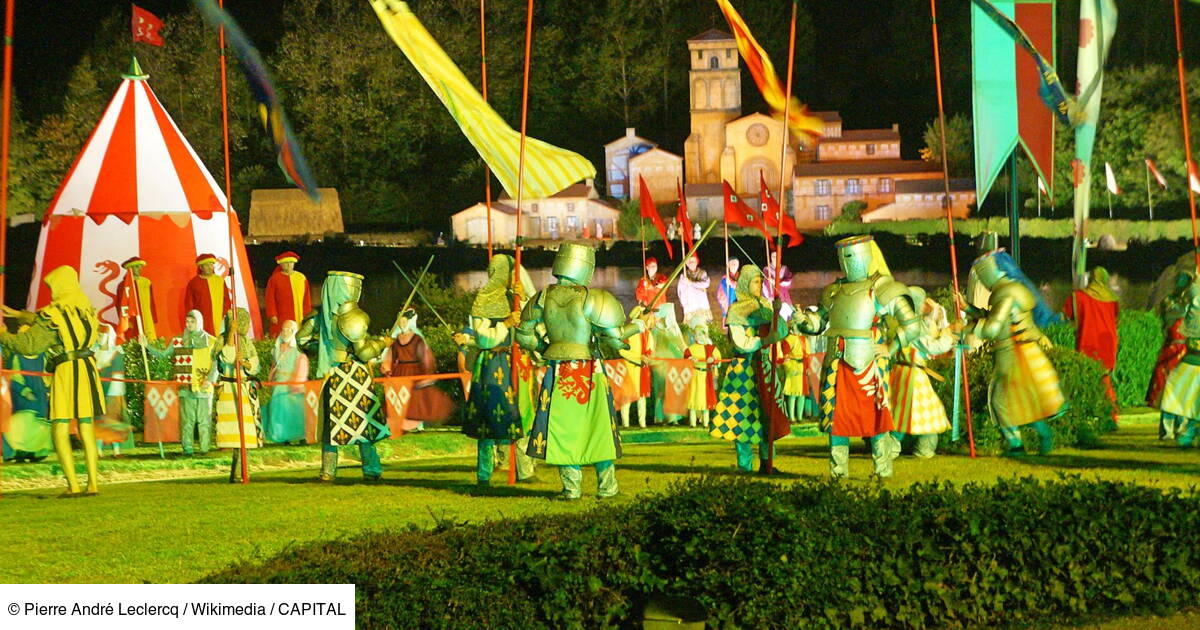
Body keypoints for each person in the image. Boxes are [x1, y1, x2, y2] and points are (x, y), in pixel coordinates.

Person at [516, 242, 648, 500]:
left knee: (563, 428)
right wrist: (640, 326)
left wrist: (546, 346)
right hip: (589, 370)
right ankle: (607, 487)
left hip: (557, 372)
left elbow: (524, 335)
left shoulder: (541, 297)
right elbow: (615, 339)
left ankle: (572, 488)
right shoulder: (593, 298)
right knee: (598, 428)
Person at [796, 235, 923, 479]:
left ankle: (883, 469)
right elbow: (819, 322)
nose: (848, 260)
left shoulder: (882, 288)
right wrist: (804, 321)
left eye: (852, 253)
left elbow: (912, 325)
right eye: (843, 254)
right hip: (837, 364)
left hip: (870, 365)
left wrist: (891, 348)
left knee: (876, 418)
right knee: (836, 419)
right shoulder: (834, 291)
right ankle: (838, 472)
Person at [0, 266, 106, 496]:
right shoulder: (86, 310)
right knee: (86, 426)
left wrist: (3, 334)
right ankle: (93, 485)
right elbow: (52, 321)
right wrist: (21, 315)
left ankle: (73, 486)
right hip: (87, 368)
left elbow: (31, 344)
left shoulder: (55, 313)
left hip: (66, 369)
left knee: (60, 425)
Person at [963, 250, 1064, 456]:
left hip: (1011, 353)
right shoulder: (1012, 290)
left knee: (1000, 401)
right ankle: (1042, 436)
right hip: (1026, 352)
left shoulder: (1004, 294)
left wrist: (965, 329)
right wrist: (969, 309)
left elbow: (992, 329)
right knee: (1023, 400)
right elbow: (997, 318)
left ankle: (1015, 445)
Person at [298, 271, 392, 482]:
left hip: (332, 375)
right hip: (354, 375)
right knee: (363, 424)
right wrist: (382, 343)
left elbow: (301, 340)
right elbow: (364, 353)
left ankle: (328, 472)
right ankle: (371, 469)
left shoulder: (319, 317)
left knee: (332, 426)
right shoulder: (353, 317)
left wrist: (324, 351)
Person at [454, 253, 538, 485]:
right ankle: (484, 474)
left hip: (517, 363)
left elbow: (533, 320)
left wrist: (524, 298)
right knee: (488, 422)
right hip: (492, 365)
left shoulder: (514, 296)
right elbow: (484, 340)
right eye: (511, 272)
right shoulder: (484, 300)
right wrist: (506, 323)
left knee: (521, 416)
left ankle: (524, 470)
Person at [710, 264, 790, 473]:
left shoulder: (764, 305)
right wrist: (764, 340)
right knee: (741, 418)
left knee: (766, 416)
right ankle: (744, 466)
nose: (760, 284)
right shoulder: (736, 310)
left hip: (764, 368)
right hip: (743, 371)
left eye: (761, 281)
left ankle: (767, 463)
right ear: (745, 282)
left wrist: (776, 312)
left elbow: (780, 332)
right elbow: (740, 343)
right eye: (756, 281)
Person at [889, 291, 954, 459]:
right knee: (923, 412)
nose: (928, 303)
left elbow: (928, 331)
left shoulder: (910, 323)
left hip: (904, 373)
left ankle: (916, 448)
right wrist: (949, 333)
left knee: (905, 412)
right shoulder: (915, 326)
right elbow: (934, 347)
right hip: (913, 376)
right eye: (924, 301)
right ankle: (897, 448)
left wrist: (938, 318)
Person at [158, 310, 218, 457]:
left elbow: (217, 363)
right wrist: (146, 345)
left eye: (193, 321)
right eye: (188, 321)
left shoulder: (211, 341)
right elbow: (163, 354)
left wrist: (210, 379)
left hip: (204, 386)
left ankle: (204, 448)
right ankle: (188, 449)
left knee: (204, 420)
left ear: (199, 322)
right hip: (186, 385)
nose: (189, 325)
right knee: (187, 421)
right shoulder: (180, 340)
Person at [384, 309, 456, 432]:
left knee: (417, 398)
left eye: (404, 321)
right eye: (400, 321)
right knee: (401, 397)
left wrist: (426, 370)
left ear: (409, 322)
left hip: (415, 370)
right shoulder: (396, 342)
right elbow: (391, 357)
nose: (402, 324)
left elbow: (424, 356)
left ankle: (418, 425)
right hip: (400, 371)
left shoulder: (417, 339)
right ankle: (402, 424)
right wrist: (387, 369)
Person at [215, 308, 261, 482]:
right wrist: (231, 333)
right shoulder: (222, 341)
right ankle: (237, 473)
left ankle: (241, 472)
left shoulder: (247, 343)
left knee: (245, 434)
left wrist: (247, 364)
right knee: (234, 434)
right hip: (229, 390)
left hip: (243, 389)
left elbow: (256, 366)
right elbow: (226, 358)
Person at [1148, 272, 1191, 439]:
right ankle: (1167, 429)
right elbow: (1170, 316)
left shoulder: (1192, 301)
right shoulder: (1170, 302)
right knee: (1168, 390)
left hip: (1186, 351)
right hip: (1172, 351)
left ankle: (1181, 428)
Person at [1160, 276, 1200, 447]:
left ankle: (1185, 432)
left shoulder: (1191, 305)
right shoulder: (1181, 305)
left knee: (1178, 390)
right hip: (1190, 355)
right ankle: (1183, 431)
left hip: (1192, 356)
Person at [2, 337, 51, 463]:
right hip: (23, 395)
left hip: (40, 394)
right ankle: (18, 450)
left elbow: (45, 373)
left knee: (39, 425)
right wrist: (25, 391)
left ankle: (35, 450)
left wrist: (47, 388)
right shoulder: (16, 356)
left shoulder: (42, 355)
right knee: (21, 423)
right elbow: (14, 376)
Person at [265, 320, 308, 445]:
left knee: (294, 412)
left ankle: (299, 436)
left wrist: (297, 383)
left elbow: (302, 365)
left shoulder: (298, 349)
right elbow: (274, 365)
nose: (285, 332)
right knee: (279, 411)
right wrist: (271, 379)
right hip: (278, 385)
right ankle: (282, 436)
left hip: (292, 385)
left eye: (288, 330)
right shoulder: (277, 347)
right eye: (283, 329)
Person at [91, 324, 133, 457]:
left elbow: (119, 374)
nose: (99, 337)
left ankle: (116, 450)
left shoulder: (117, 351)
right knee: (99, 420)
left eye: (102, 335)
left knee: (114, 421)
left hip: (114, 392)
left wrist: (119, 393)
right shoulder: (93, 351)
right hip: (98, 391)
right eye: (98, 334)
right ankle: (98, 450)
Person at [619, 306, 655, 427]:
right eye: (645, 314)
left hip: (643, 370)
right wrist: (638, 357)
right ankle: (625, 424)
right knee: (627, 397)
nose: (648, 317)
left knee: (642, 398)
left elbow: (650, 350)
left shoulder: (648, 334)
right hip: (630, 368)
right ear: (639, 315)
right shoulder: (628, 331)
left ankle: (642, 424)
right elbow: (621, 350)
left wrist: (648, 359)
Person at [264, 251, 312, 338]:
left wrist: (307, 314)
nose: (289, 265)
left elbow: (306, 298)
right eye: (286, 263)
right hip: (281, 314)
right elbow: (270, 298)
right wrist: (272, 314)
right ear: (281, 264)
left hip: (299, 315)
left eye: (291, 262)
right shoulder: (274, 279)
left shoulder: (301, 278)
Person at [183, 254, 231, 337]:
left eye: (212, 265)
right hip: (201, 320)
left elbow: (226, 300)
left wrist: (225, 315)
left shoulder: (220, 281)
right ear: (201, 267)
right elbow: (189, 303)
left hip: (219, 319)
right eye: (207, 265)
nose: (210, 267)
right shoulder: (194, 283)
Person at [683, 325, 721, 428]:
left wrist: (713, 359)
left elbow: (718, 359)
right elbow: (685, 358)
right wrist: (690, 359)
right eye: (696, 334)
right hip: (695, 376)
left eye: (700, 334)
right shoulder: (690, 349)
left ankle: (706, 423)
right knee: (693, 399)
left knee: (705, 400)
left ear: (705, 335)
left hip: (706, 377)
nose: (697, 336)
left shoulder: (711, 348)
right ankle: (693, 423)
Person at [774, 318, 808, 422]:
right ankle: (792, 417)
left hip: (802, 368)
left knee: (801, 394)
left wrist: (807, 367)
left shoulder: (803, 339)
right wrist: (789, 368)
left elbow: (807, 355)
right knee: (792, 394)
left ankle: (800, 417)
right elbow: (785, 357)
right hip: (793, 367)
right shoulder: (788, 340)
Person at [117, 257, 158, 341]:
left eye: (140, 266)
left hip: (146, 317)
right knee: (134, 342)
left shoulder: (146, 282)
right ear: (130, 268)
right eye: (137, 266)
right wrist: (125, 321)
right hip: (132, 319)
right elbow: (119, 305)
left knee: (149, 340)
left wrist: (153, 318)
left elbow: (151, 302)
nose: (140, 269)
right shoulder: (123, 285)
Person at [676, 255, 712, 328]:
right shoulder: (683, 277)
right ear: (686, 264)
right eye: (689, 262)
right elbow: (681, 293)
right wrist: (684, 305)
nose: (691, 263)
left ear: (696, 262)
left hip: (702, 305)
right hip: (690, 307)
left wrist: (691, 283)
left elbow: (705, 284)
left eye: (693, 261)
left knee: (705, 327)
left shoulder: (702, 273)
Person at [762, 249, 794, 317]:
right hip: (772, 297)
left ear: (780, 257)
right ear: (770, 257)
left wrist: (777, 282)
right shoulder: (767, 269)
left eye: (776, 256)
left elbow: (789, 282)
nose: (774, 258)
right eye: (773, 256)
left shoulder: (784, 269)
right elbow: (765, 284)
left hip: (784, 297)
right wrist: (768, 297)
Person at [716, 257, 740, 328]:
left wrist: (733, 283)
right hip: (730, 308)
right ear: (728, 265)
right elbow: (720, 295)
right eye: (732, 263)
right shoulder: (725, 279)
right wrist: (726, 306)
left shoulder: (742, 277)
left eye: (735, 263)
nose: (734, 265)